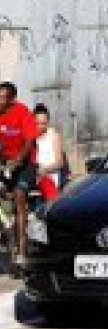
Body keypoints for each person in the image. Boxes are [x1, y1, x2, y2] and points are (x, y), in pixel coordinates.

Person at [0, 82, 38, 269]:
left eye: (2, 98)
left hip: (26, 164)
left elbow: (30, 141)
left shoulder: (23, 112)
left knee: (19, 197)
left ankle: (22, 252)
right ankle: (7, 239)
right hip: (5, 164)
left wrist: (18, 160)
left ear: (12, 100)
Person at [32, 104, 67, 204]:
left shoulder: (54, 136)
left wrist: (45, 170)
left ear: (48, 122)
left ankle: (54, 205)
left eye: (43, 123)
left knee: (47, 183)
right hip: (35, 175)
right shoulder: (31, 137)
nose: (40, 126)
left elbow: (60, 162)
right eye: (37, 123)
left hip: (49, 175)